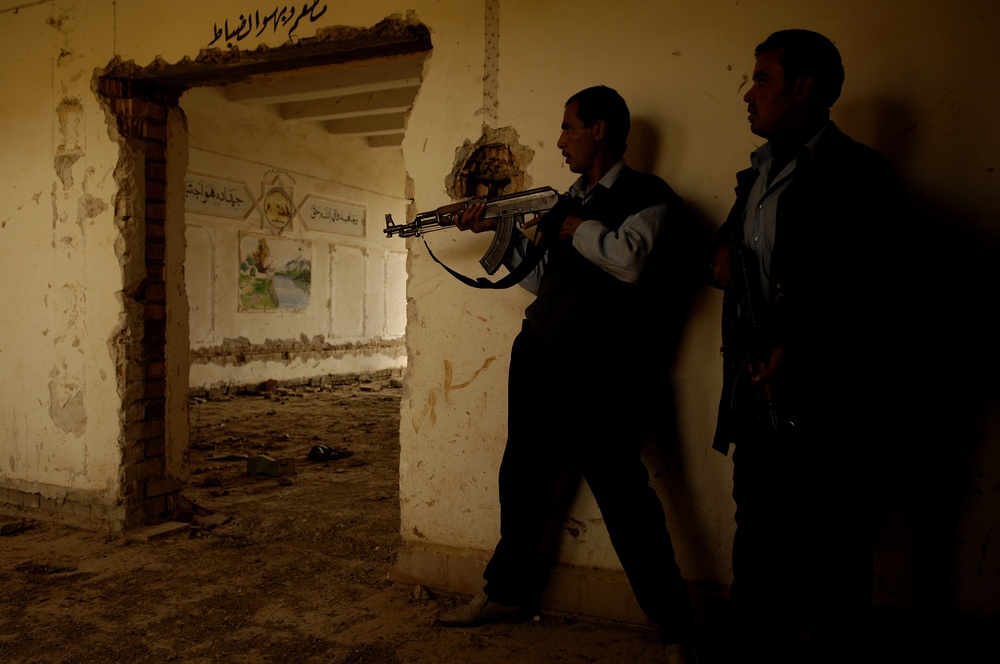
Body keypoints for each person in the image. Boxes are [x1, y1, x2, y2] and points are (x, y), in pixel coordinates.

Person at [437, 85, 699, 663]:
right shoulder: (560, 206)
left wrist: (575, 227)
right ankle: (504, 594)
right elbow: (537, 281)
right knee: (523, 481)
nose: (559, 141)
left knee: (626, 500)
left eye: (568, 128)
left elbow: (629, 261)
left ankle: (676, 628)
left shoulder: (649, 196)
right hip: (539, 356)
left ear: (600, 129)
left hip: (605, 369)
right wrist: (496, 235)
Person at [709, 30, 906, 663]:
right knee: (758, 545)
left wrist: (802, 346)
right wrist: (720, 259)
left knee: (834, 554)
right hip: (758, 395)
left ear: (805, 88)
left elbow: (874, 290)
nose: (748, 92)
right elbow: (728, 253)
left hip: (831, 404)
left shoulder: (861, 175)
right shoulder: (757, 174)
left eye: (762, 79)